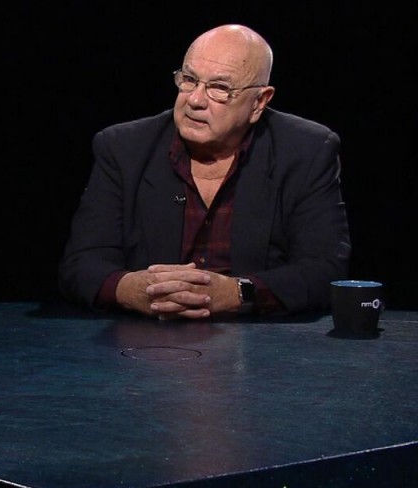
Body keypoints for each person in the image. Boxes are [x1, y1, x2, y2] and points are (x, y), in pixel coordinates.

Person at [58, 24, 351, 320]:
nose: (195, 100)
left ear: (259, 102)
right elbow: (80, 264)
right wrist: (132, 290)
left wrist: (239, 293)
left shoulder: (306, 150)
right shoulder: (123, 148)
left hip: (260, 345)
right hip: (143, 343)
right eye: (189, 80)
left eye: (220, 88)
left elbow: (325, 269)